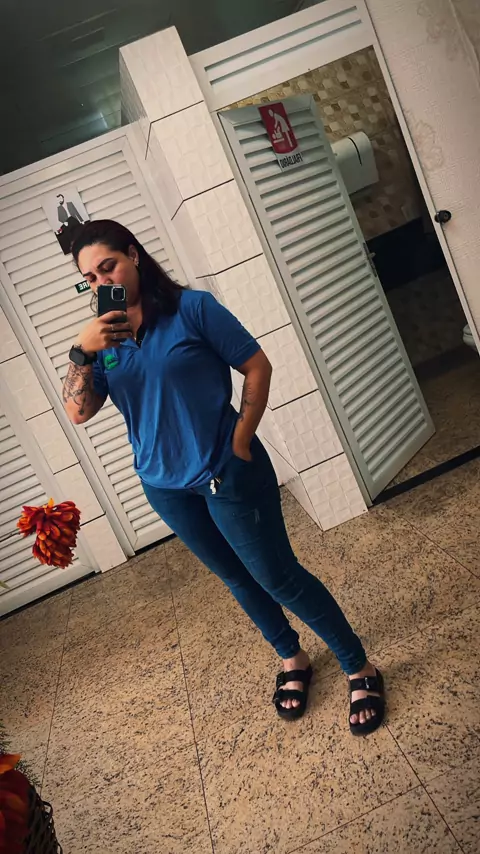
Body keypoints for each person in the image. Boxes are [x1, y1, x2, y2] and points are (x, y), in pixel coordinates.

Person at [63, 219, 386, 735]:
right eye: (91, 279)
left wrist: (241, 438)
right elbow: (79, 412)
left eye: (110, 267)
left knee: (279, 576)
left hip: (226, 471)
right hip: (164, 486)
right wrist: (82, 351)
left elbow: (257, 366)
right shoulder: (103, 339)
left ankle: (358, 666)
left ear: (134, 255)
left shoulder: (193, 309)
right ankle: (292, 658)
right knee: (235, 577)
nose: (104, 283)